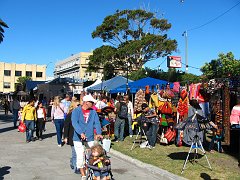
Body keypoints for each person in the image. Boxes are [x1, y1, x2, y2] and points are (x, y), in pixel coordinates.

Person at [71, 94, 102, 180]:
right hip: (78, 138)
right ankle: (83, 174)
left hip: (90, 136)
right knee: (80, 155)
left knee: (92, 155)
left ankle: (90, 169)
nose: (93, 104)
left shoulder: (93, 112)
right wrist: (80, 132)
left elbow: (97, 123)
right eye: (92, 103)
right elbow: (75, 123)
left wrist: (99, 133)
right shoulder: (76, 111)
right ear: (87, 103)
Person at [63, 99, 80, 173]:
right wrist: (65, 137)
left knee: (78, 152)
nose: (80, 106)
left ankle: (74, 163)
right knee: (75, 152)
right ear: (73, 106)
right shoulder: (70, 115)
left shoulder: (80, 114)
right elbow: (66, 126)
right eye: (78, 105)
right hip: (71, 136)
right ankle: (75, 167)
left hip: (79, 136)